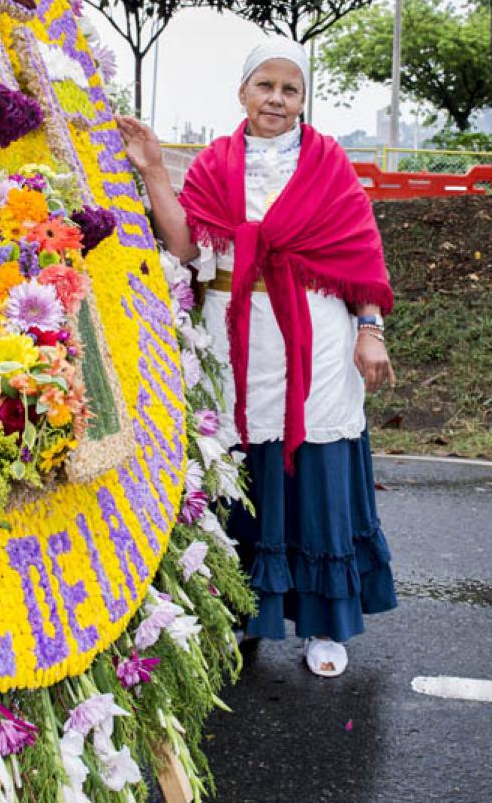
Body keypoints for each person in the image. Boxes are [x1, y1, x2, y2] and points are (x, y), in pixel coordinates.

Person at [117, 36, 397, 678]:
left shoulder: (329, 166)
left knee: (318, 472)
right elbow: (187, 248)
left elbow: (361, 259)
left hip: (318, 340)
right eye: (264, 86)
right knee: (235, 475)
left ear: (303, 99)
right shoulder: (214, 165)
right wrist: (156, 168)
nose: (276, 98)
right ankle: (240, 612)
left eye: (289, 89)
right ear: (242, 92)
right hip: (234, 335)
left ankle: (324, 627)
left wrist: (370, 329)